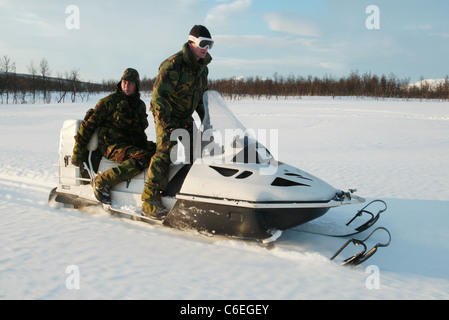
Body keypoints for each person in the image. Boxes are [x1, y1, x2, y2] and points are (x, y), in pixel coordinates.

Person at [141, 25, 214, 219]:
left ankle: (192, 190)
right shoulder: (173, 64)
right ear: (191, 42)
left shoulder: (202, 69)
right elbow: (158, 98)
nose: (206, 48)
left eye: (210, 45)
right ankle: (149, 200)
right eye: (203, 43)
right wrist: (165, 124)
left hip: (184, 117)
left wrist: (207, 121)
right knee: (165, 151)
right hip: (166, 115)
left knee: (198, 148)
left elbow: (201, 98)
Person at [72, 68, 156, 204]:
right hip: (111, 145)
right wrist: (77, 152)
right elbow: (88, 127)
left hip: (132, 143)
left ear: (136, 85)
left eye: (130, 83)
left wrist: (149, 146)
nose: (126, 86)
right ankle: (103, 181)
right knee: (143, 157)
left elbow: (140, 131)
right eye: (124, 82)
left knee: (161, 151)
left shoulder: (139, 105)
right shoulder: (108, 102)